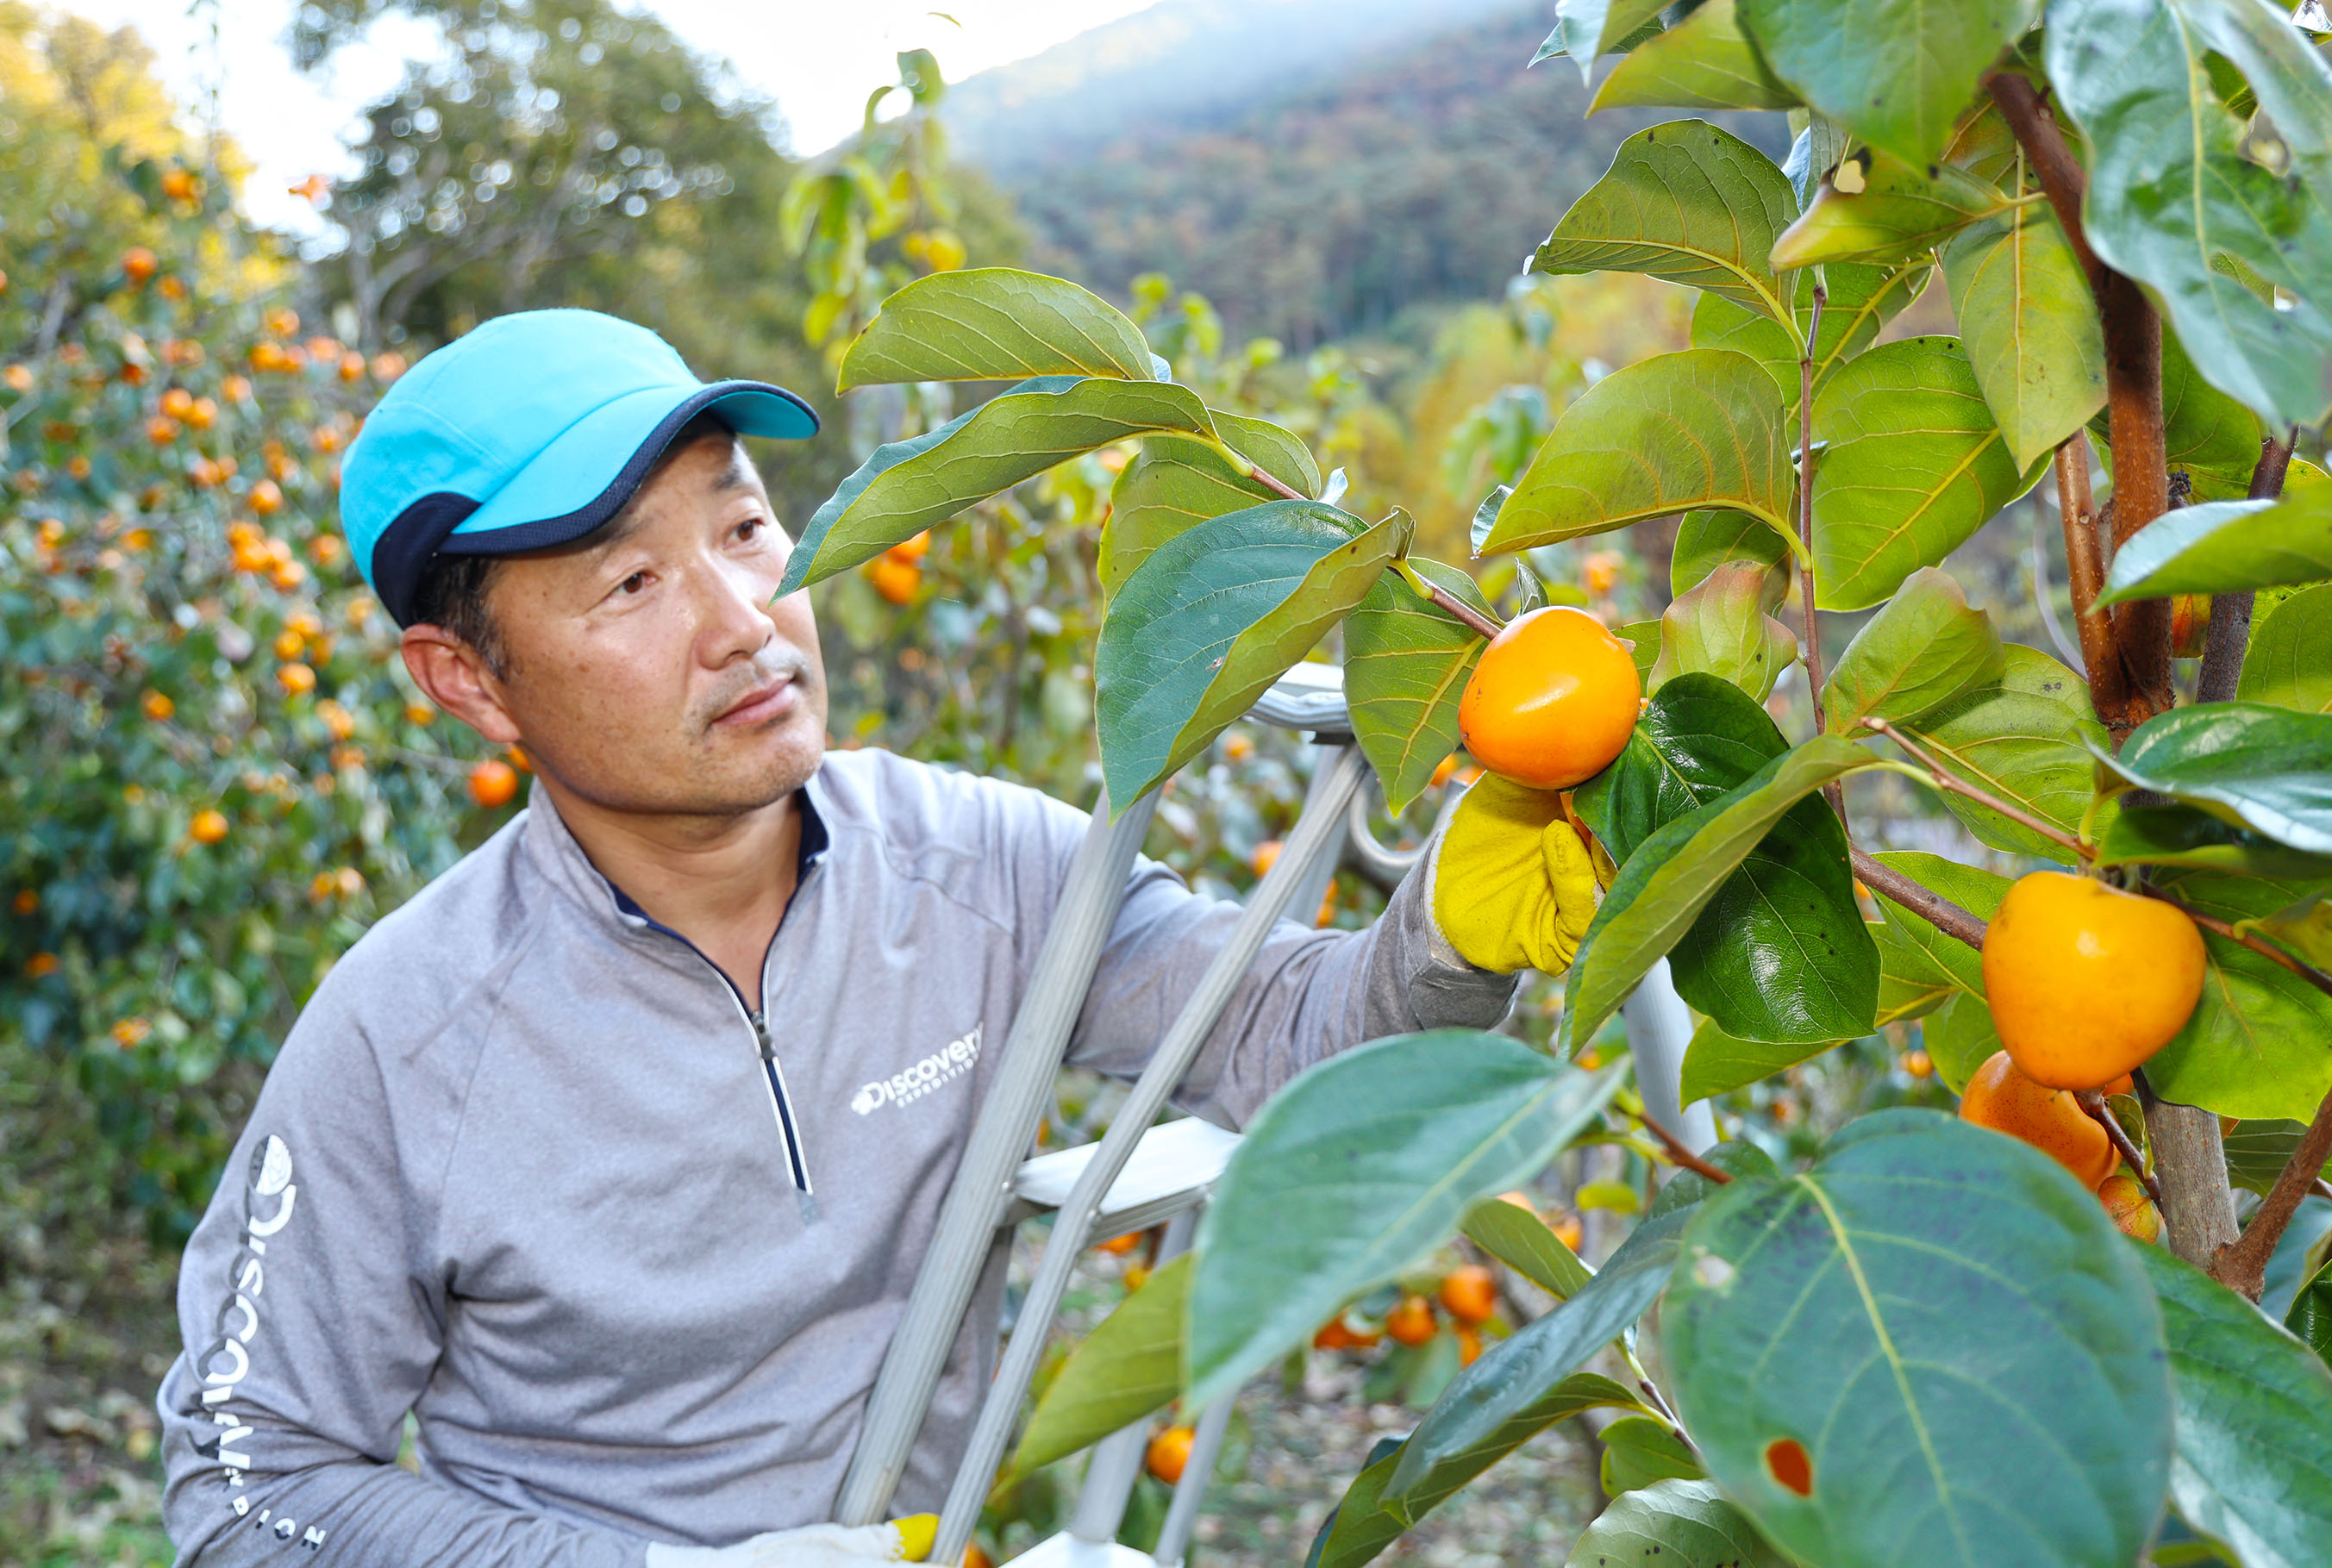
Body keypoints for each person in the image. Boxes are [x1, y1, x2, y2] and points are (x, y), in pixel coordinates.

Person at [155, 309, 1607, 1566]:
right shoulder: (404, 1039)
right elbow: (243, 1485)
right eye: (631, 582)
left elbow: (1289, 1036)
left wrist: (1447, 940)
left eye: (741, 529)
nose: (744, 622)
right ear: (467, 682)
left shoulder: (983, 865)